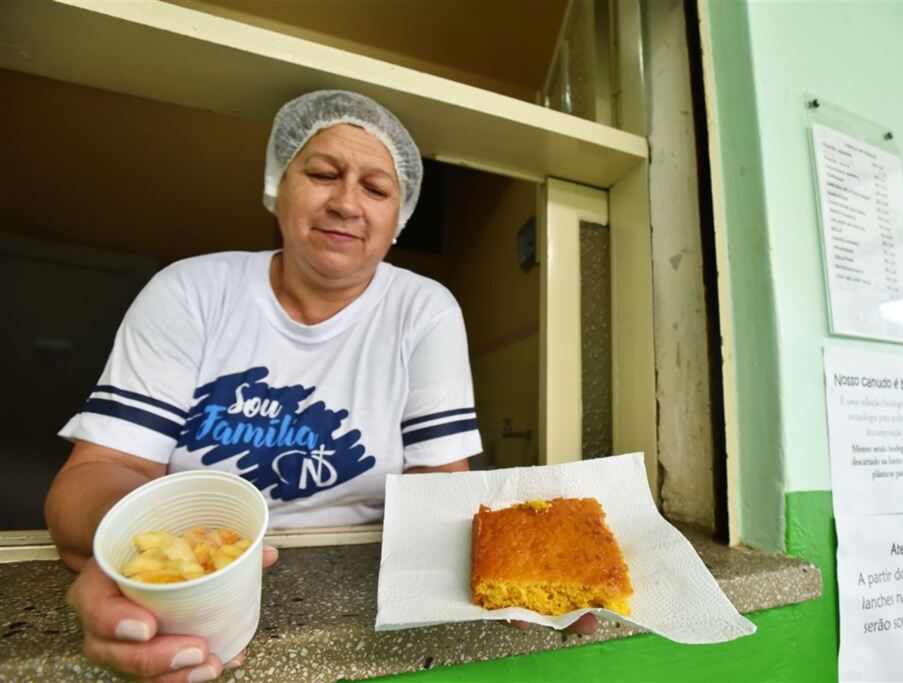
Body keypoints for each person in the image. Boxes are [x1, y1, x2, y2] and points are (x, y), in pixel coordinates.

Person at [45, 90, 595, 683]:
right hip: (200, 582)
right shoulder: (191, 291)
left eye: (376, 188)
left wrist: (515, 563)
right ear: (278, 186)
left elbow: (440, 481)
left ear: (397, 220)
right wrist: (139, 553)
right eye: (324, 173)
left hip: (365, 571)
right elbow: (97, 472)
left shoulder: (423, 310)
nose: (346, 202)